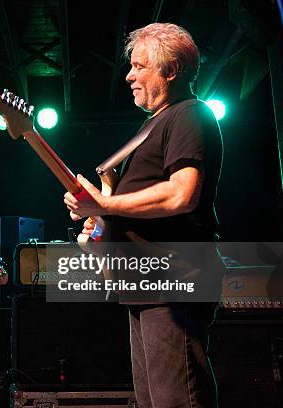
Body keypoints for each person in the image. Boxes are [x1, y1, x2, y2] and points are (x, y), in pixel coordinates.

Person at [64, 23, 223, 408]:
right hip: (146, 282)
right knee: (153, 401)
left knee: (177, 400)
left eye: (139, 67)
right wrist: (101, 220)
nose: (129, 75)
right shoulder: (150, 126)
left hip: (175, 279)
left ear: (171, 71)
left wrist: (105, 207)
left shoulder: (189, 114)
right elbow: (134, 202)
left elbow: (181, 194)